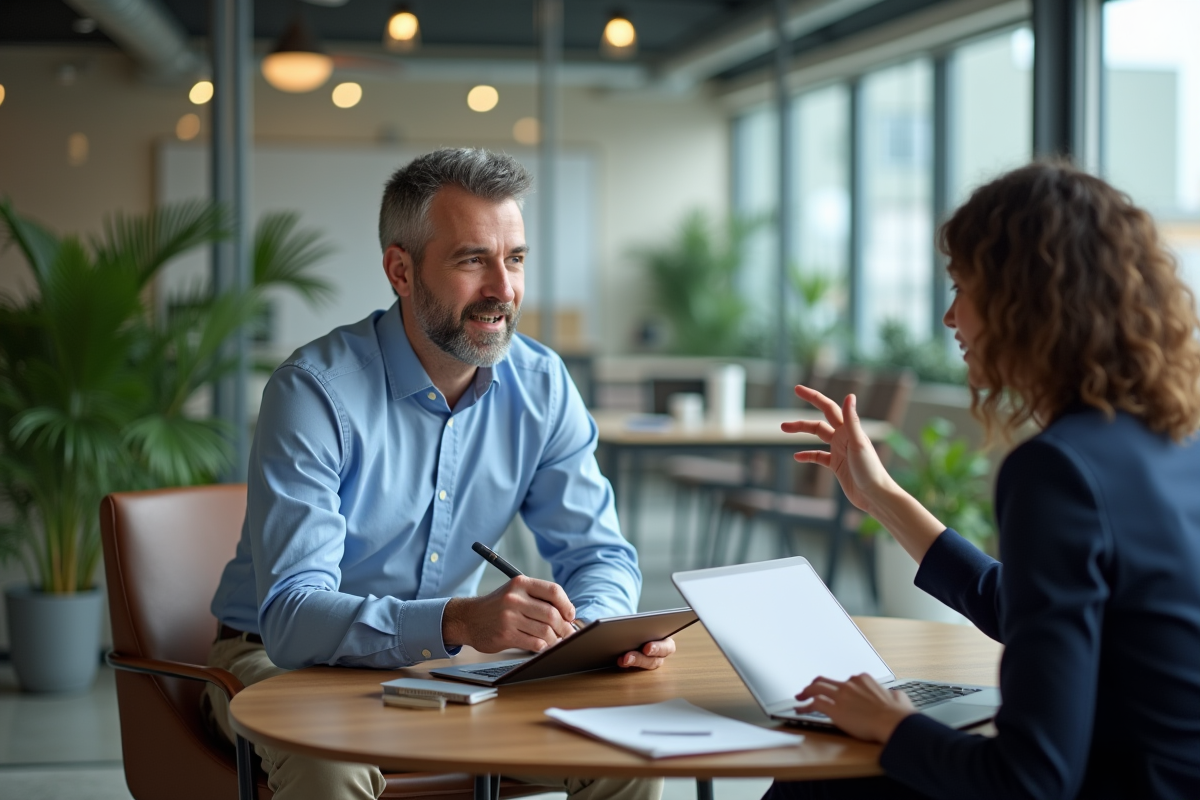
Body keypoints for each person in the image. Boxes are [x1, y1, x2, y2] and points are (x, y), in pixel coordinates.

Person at [204, 148, 673, 800]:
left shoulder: (541, 384)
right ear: (401, 270)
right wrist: (456, 622)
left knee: (621, 745)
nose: (503, 290)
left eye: (514, 259)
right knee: (328, 763)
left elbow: (599, 553)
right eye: (471, 259)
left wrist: (591, 636)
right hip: (280, 661)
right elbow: (293, 619)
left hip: (451, 664)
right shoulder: (314, 391)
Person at [767, 163, 1200, 799]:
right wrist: (880, 496)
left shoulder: (1059, 469)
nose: (949, 316)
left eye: (961, 287)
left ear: (1023, 300)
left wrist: (895, 725)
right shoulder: (1175, 440)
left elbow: (1029, 780)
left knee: (823, 778)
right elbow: (1019, 605)